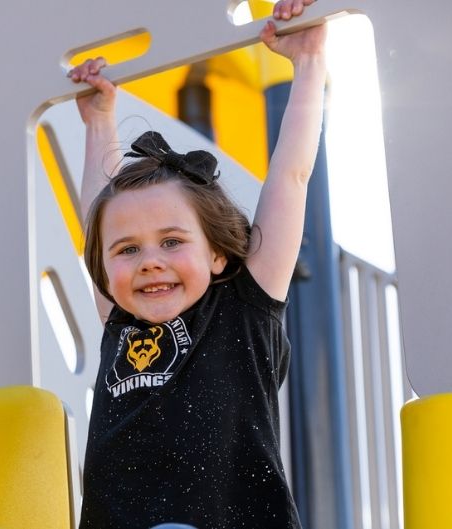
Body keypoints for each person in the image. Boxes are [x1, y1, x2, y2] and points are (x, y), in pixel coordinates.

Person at [68, 0, 326, 527]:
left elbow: (291, 176)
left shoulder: (246, 305)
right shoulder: (120, 321)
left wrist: (309, 61)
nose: (149, 263)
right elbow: (97, 216)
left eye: (171, 242)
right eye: (129, 249)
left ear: (215, 251)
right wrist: (99, 121)